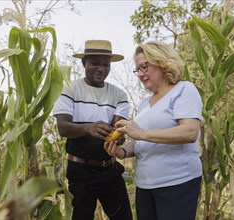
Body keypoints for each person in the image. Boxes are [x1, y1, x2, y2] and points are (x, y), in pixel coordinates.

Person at [105, 41, 203, 220]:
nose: (140, 74)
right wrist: (121, 151)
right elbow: (141, 142)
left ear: (163, 63)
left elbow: (190, 132)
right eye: (137, 70)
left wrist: (142, 133)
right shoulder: (144, 104)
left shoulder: (184, 90)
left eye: (145, 67)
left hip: (177, 183)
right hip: (145, 186)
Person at [53, 40, 133, 220]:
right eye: (95, 63)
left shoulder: (119, 94)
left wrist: (118, 139)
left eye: (106, 64)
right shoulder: (69, 89)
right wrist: (89, 128)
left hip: (109, 168)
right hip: (80, 170)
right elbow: (63, 127)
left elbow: (118, 130)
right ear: (84, 63)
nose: (101, 69)